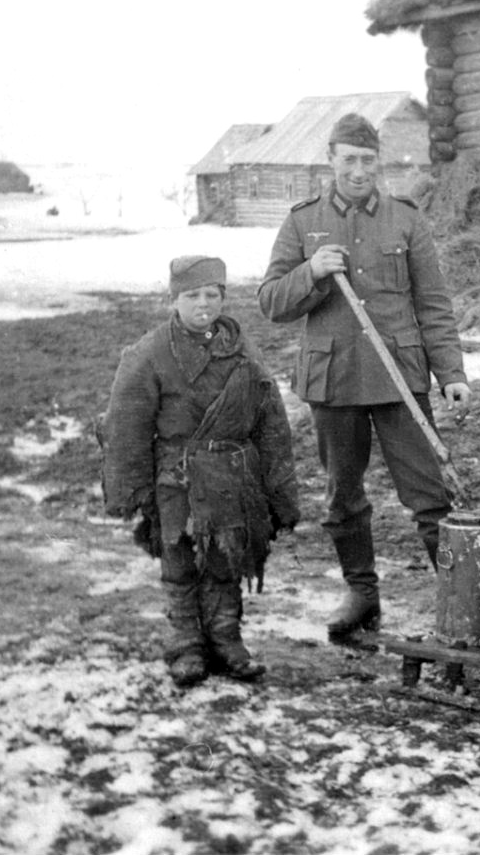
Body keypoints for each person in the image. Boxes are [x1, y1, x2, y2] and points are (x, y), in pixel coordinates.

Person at [258, 112, 471, 643]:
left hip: (400, 379)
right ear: (330, 159)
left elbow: (433, 303)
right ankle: (361, 593)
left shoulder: (406, 219)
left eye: (368, 160)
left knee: (430, 496)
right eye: (349, 159)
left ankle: (459, 605)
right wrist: (310, 272)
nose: (358, 171)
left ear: (379, 162)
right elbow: (271, 303)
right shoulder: (302, 222)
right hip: (334, 382)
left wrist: (451, 372)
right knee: (342, 496)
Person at [102, 256, 300, 687]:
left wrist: (278, 489)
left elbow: (271, 421)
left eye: (212, 294)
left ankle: (227, 639)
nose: (203, 304)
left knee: (226, 559)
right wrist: (134, 489)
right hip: (177, 480)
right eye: (192, 295)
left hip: (231, 478)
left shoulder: (242, 350)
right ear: (173, 299)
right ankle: (187, 644)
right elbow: (126, 425)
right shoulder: (151, 352)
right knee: (179, 561)